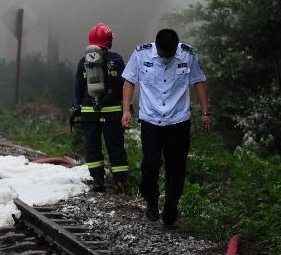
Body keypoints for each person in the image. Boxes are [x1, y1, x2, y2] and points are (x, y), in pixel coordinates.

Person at [122, 28, 211, 228]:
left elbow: (198, 81)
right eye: (164, 54)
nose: (168, 57)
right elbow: (129, 81)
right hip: (151, 120)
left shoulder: (187, 54)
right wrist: (126, 110)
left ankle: (171, 210)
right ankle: (151, 202)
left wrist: (205, 112)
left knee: (176, 169)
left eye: (171, 54)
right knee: (150, 163)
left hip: (178, 121)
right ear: (158, 47)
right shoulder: (141, 53)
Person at [72, 23, 129, 193]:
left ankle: (98, 181)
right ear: (109, 42)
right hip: (112, 112)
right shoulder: (117, 60)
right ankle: (120, 183)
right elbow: (124, 85)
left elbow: (78, 88)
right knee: (116, 146)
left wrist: (81, 106)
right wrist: (123, 106)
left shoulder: (83, 62)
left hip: (90, 112)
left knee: (92, 146)